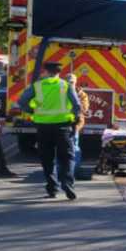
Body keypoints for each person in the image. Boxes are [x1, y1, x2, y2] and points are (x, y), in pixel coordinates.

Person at [18, 62, 81, 200]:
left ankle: (52, 188)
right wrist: (73, 118)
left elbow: (22, 101)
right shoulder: (65, 85)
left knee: (47, 158)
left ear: (45, 72)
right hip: (63, 126)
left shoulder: (37, 86)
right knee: (67, 157)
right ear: (59, 73)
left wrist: (32, 111)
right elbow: (77, 105)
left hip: (43, 127)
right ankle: (67, 184)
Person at [66, 74, 89, 174]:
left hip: (75, 124)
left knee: (74, 145)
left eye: (72, 82)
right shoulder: (60, 92)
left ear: (75, 82)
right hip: (62, 123)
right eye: (69, 81)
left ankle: (74, 169)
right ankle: (61, 168)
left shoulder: (81, 94)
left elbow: (84, 108)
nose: (70, 84)